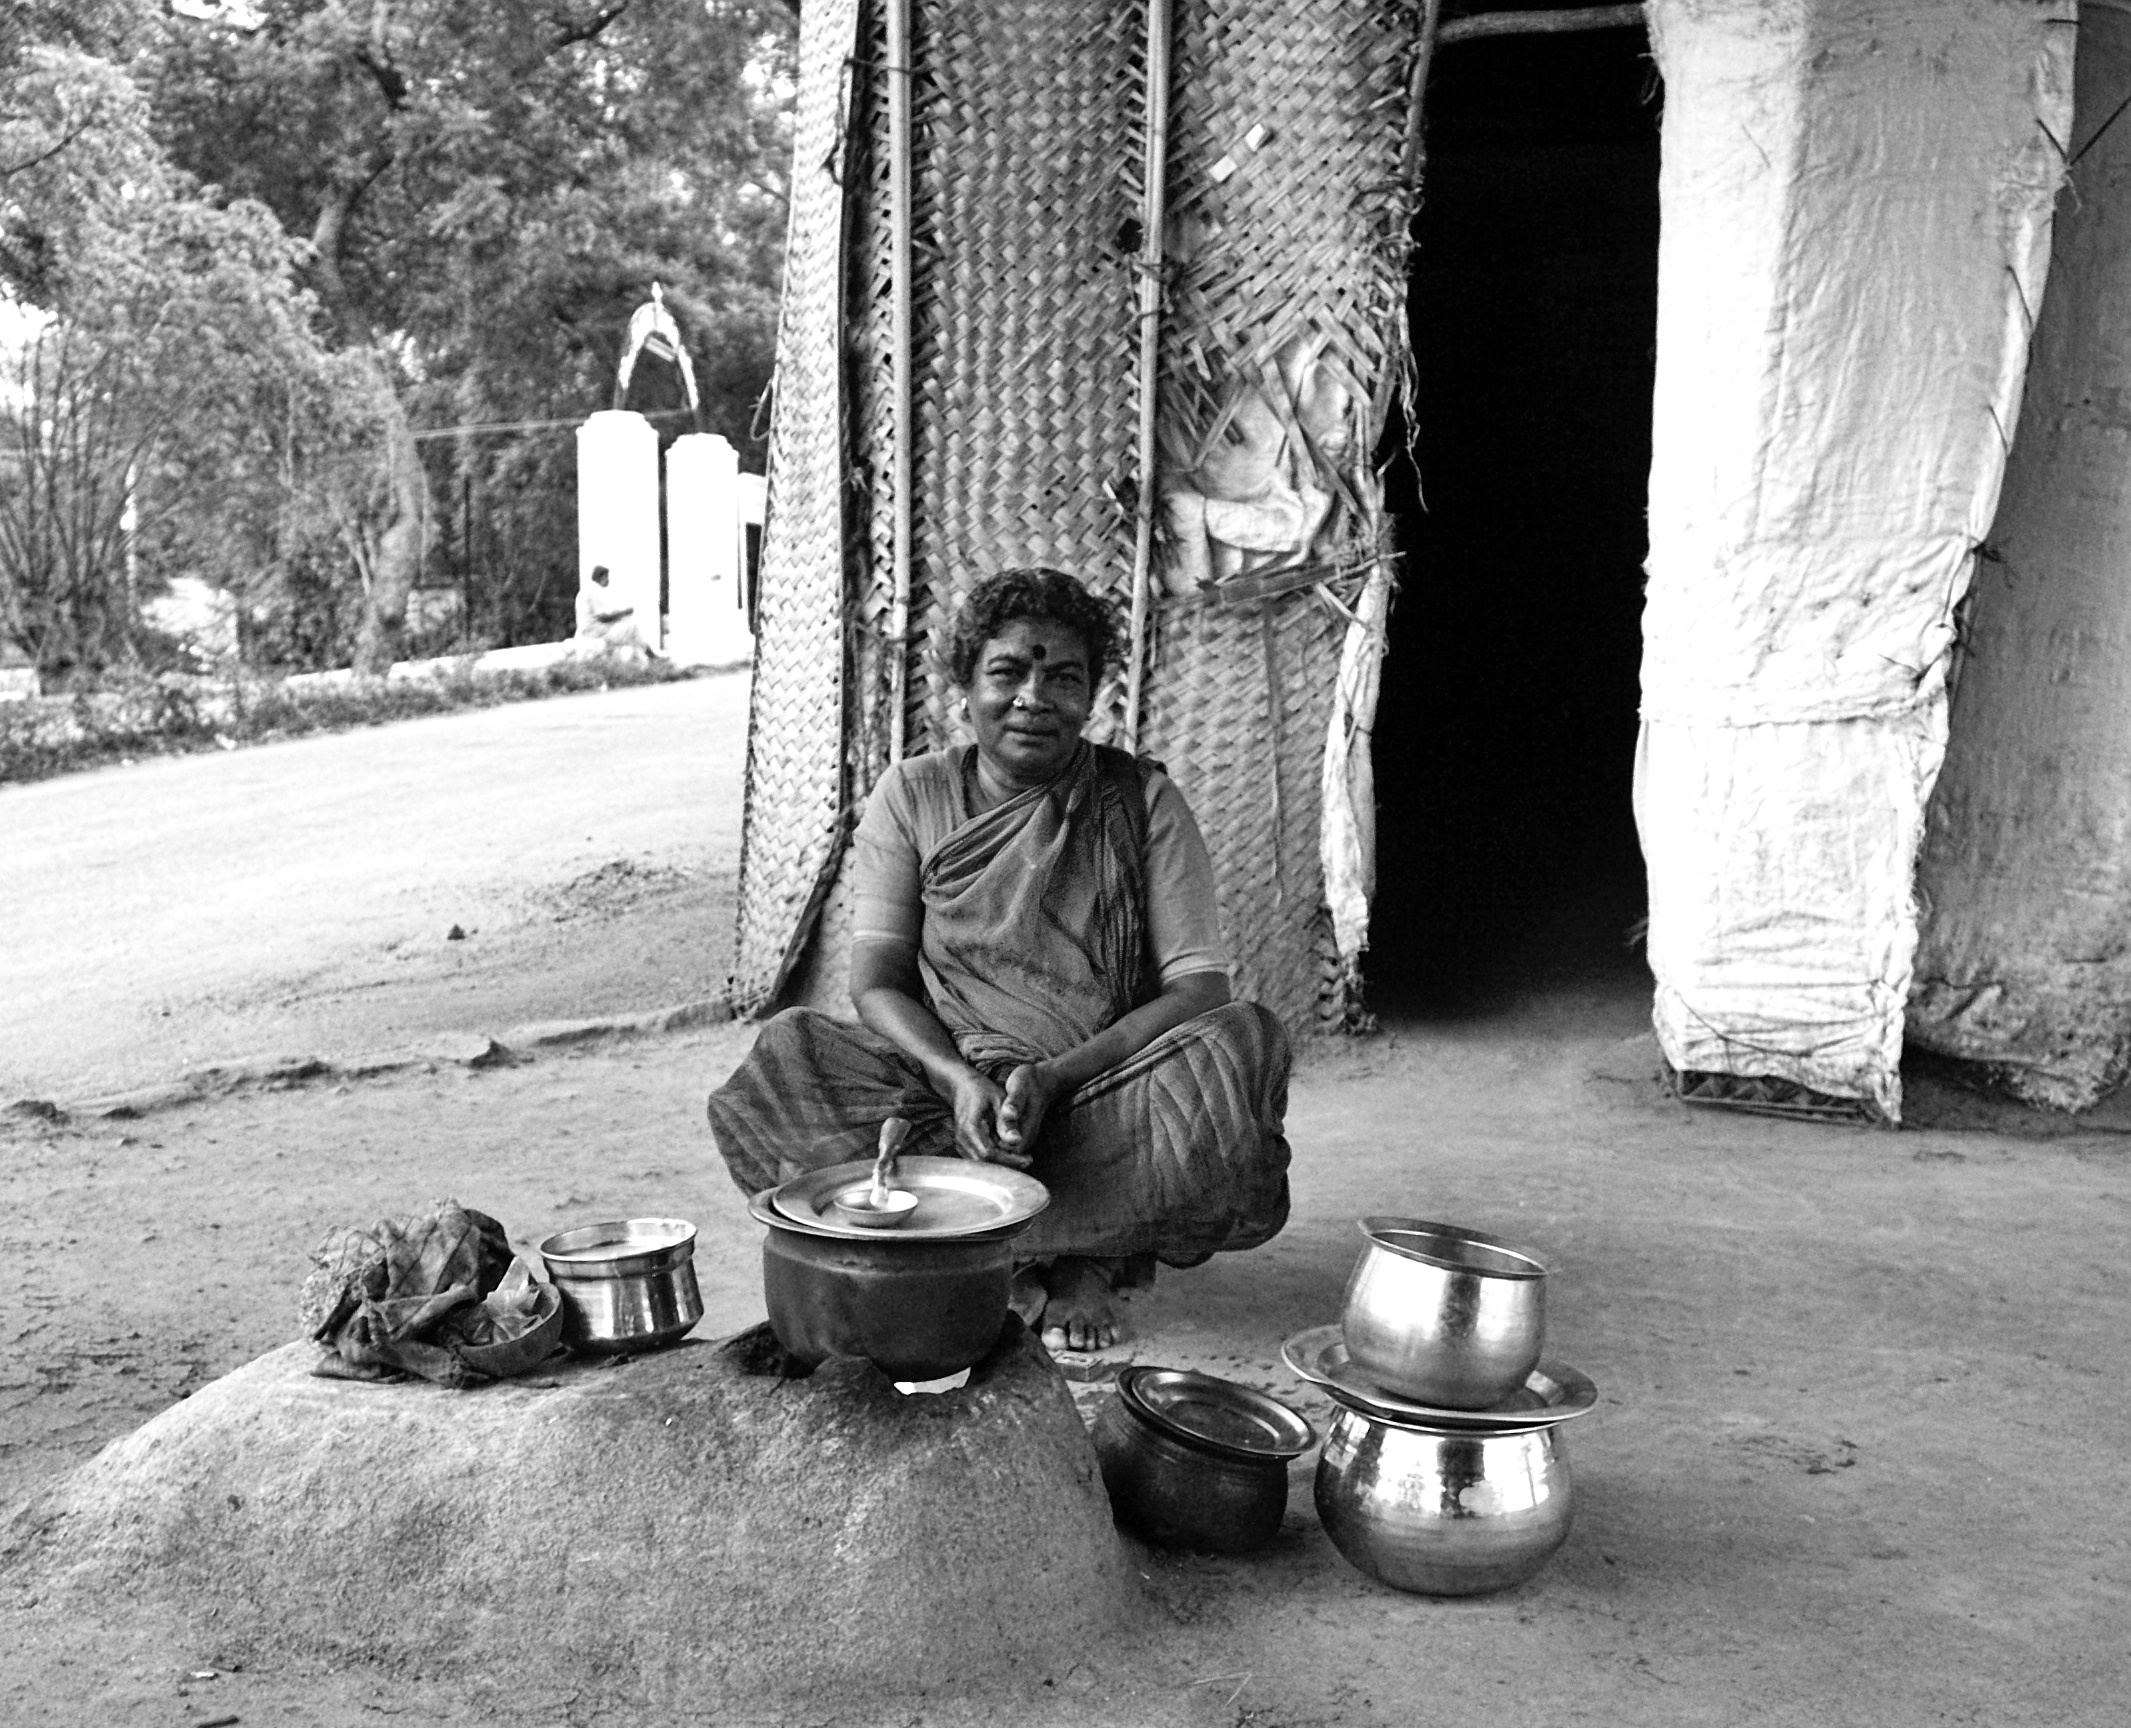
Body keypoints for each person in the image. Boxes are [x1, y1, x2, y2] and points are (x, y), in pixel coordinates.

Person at [706, 567, 1291, 1352]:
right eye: (1008, 672)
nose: (1033, 697)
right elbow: (874, 980)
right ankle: (1012, 1254)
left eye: (1063, 678)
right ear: (965, 686)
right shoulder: (911, 793)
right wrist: (956, 1081)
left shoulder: (1140, 799)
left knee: (1237, 1050)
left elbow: (1198, 986)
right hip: (946, 1081)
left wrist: (1055, 1078)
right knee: (787, 1061)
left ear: (1093, 696)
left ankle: (1084, 1256)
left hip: (1103, 1087)